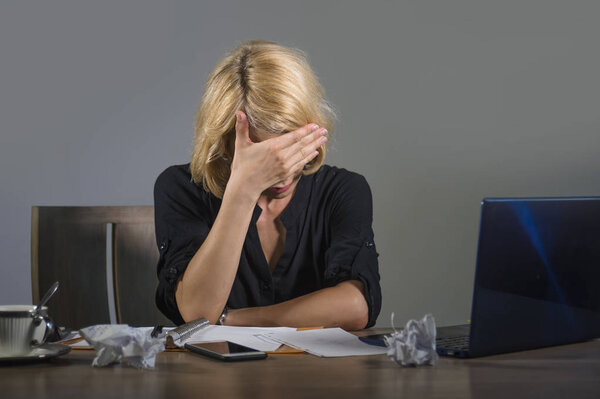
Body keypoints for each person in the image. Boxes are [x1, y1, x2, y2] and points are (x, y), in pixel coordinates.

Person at [154, 40, 381, 330]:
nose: (282, 172)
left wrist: (233, 319)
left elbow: (355, 306)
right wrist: (243, 190)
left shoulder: (343, 190)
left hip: (317, 373)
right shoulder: (180, 188)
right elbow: (197, 311)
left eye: (291, 144)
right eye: (262, 154)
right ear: (224, 143)